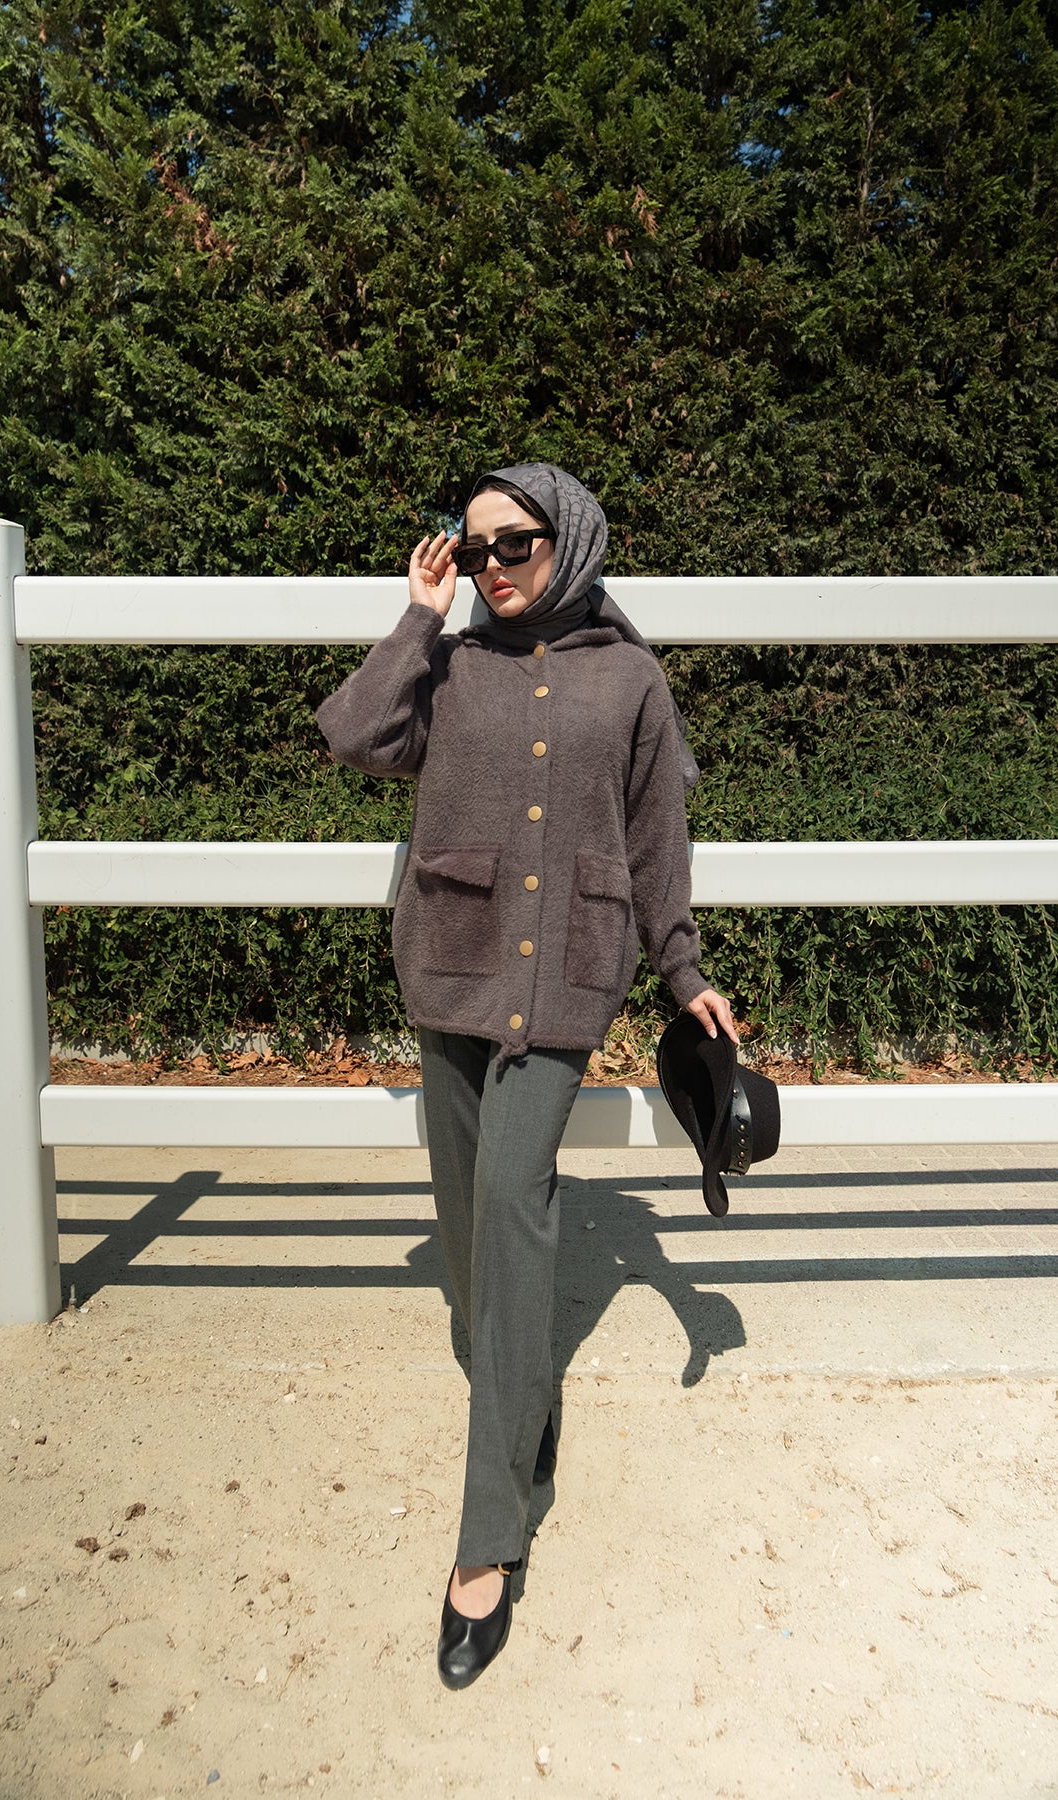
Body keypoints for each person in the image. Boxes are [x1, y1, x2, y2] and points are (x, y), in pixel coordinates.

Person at [314, 462, 737, 1688]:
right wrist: (418, 616)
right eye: (475, 544)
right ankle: (524, 1398)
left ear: (574, 539)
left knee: (509, 1203)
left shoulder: (631, 677)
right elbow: (352, 736)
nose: (495, 564)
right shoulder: (449, 663)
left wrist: (682, 970)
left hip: (565, 982)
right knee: (466, 1235)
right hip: (450, 966)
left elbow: (657, 840)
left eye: (518, 542)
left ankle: (487, 1541)